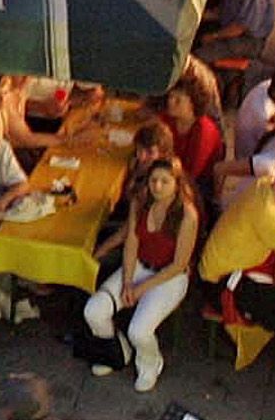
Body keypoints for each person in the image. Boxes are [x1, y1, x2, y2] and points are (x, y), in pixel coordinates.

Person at [80, 153, 202, 394]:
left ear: (177, 184)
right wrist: (126, 282)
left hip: (170, 276)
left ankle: (150, 362)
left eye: (165, 181)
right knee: (93, 310)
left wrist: (140, 289)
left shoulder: (187, 216)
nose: (157, 186)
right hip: (139, 266)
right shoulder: (140, 203)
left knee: (139, 329)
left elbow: (179, 264)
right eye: (153, 180)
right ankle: (115, 350)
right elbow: (132, 244)